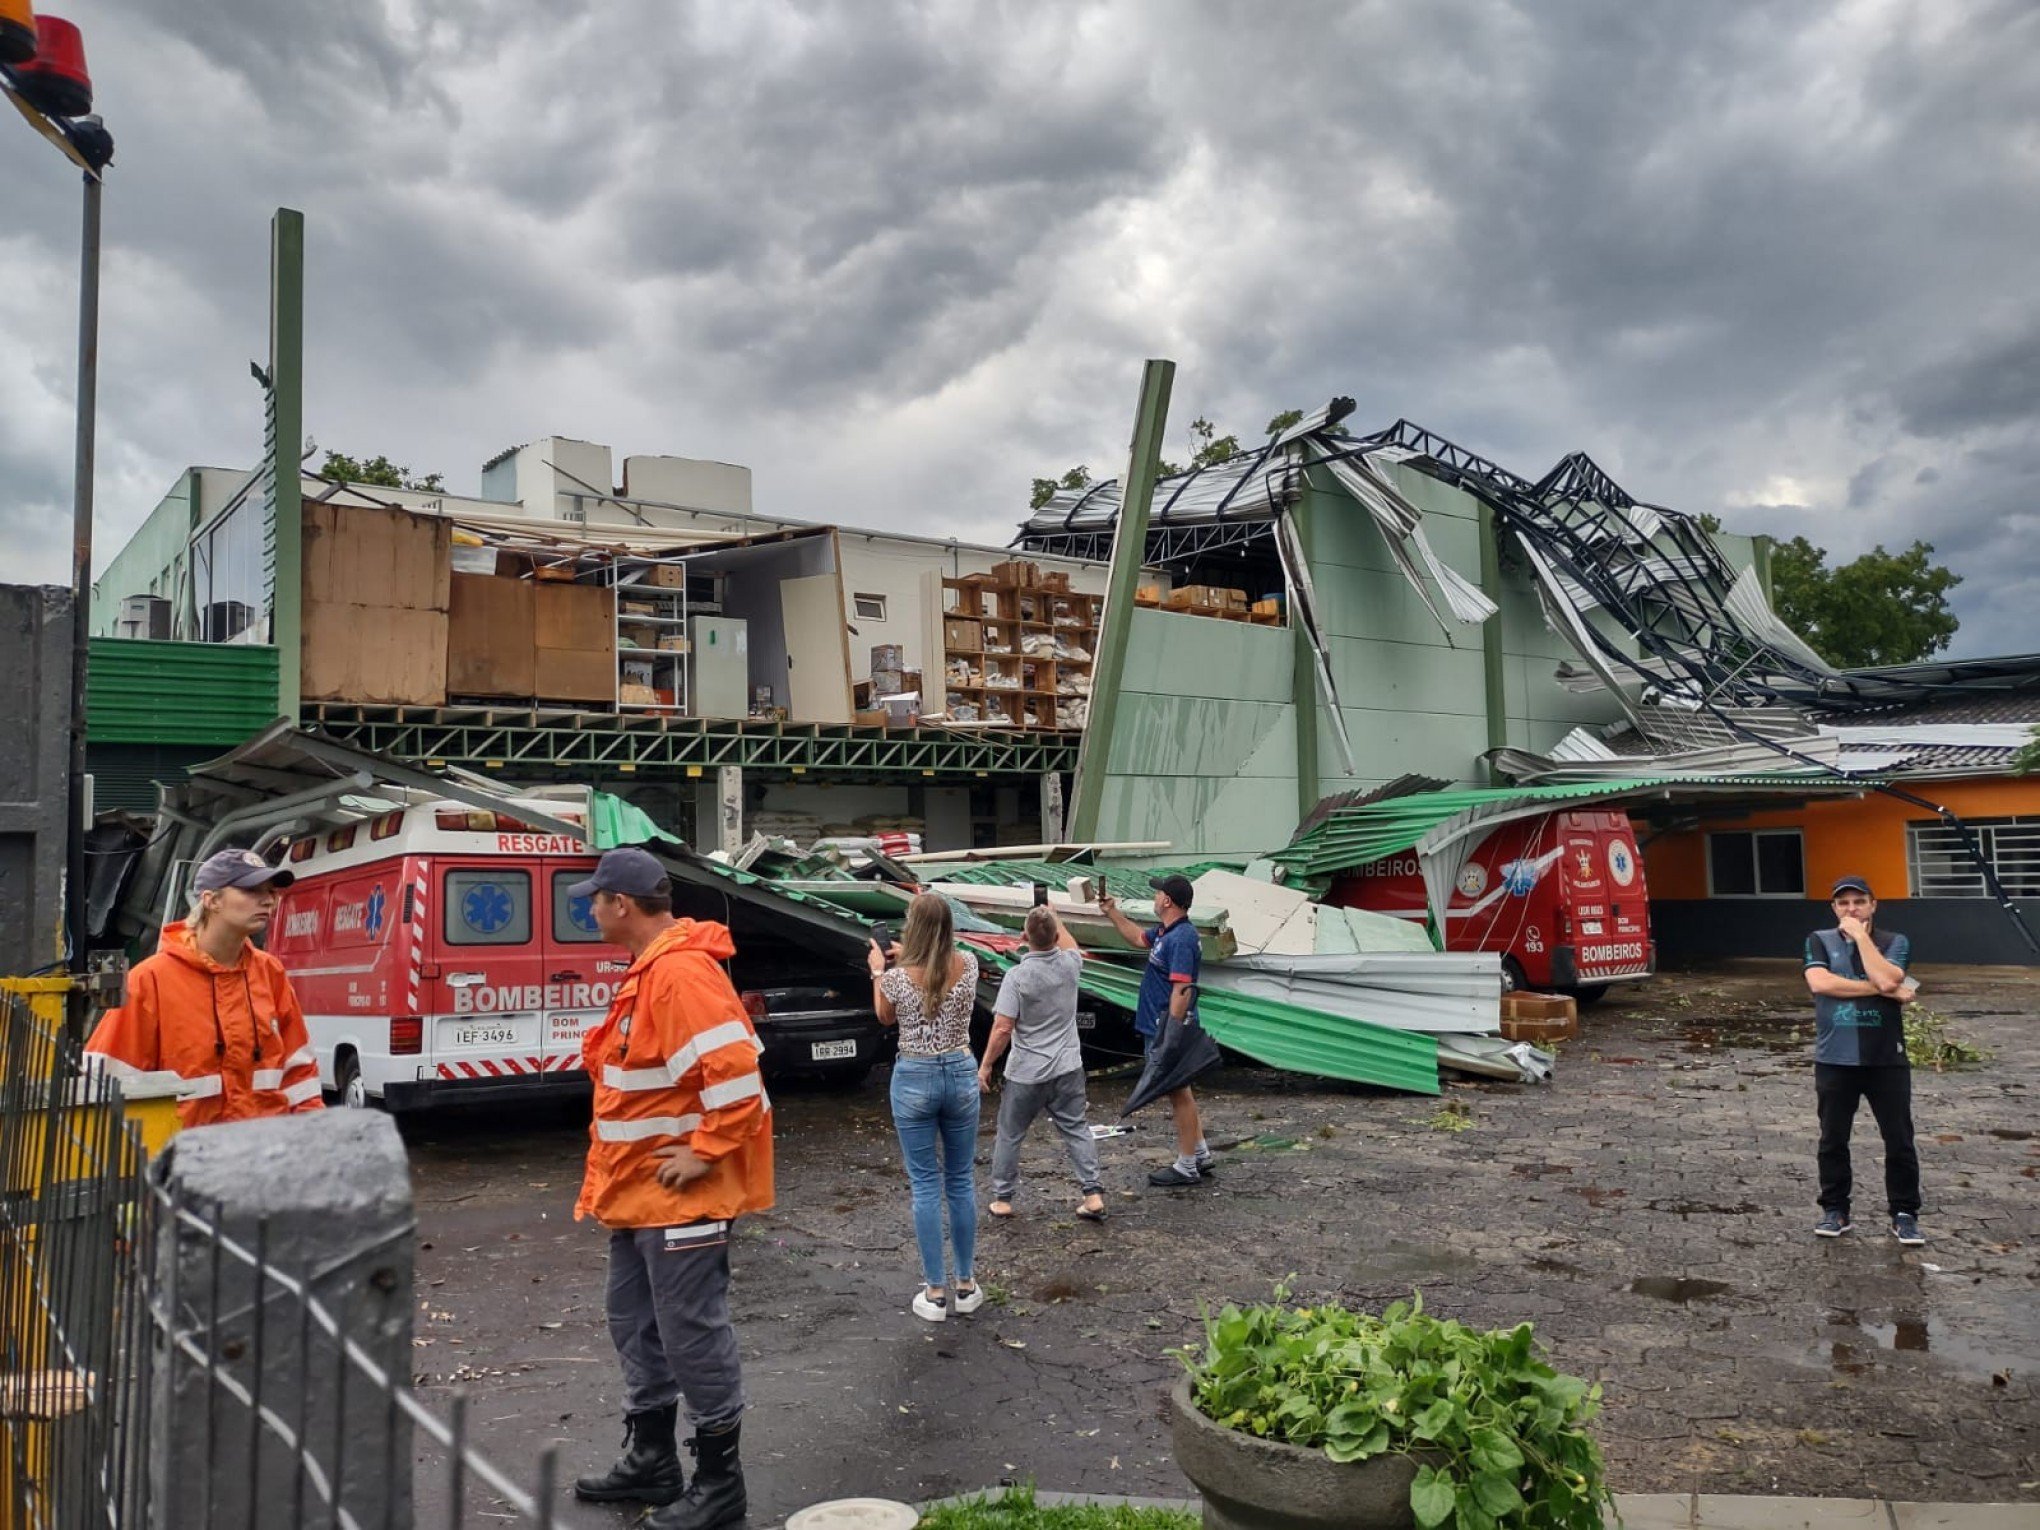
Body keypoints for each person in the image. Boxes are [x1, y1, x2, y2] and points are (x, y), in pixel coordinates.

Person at [572, 848, 773, 1530]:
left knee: (691, 1334)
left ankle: (720, 1485)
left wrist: (704, 1153)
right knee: (634, 1323)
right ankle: (653, 1459)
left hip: (679, 1199)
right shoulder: (651, 971)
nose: (590, 906)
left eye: (595, 898)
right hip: (641, 1196)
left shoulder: (680, 974)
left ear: (620, 906)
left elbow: (738, 1078)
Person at [85, 847, 324, 1126]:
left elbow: (299, 1076)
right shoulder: (150, 980)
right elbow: (106, 1082)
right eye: (252, 890)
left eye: (270, 892)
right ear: (211, 900)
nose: (268, 900)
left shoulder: (270, 974)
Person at [869, 892, 984, 1322]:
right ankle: (967, 1284)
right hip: (959, 1071)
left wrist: (879, 971)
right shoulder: (968, 964)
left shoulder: (897, 978)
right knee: (960, 1180)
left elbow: (884, 1016)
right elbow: (937, 970)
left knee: (924, 1184)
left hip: (914, 1077)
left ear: (911, 928)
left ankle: (934, 1292)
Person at [1804, 874, 1924, 1246]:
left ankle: (1904, 1214)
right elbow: (1820, 984)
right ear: (1834, 908)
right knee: (1832, 1139)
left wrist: (1859, 938)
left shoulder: (1894, 941)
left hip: (1886, 1059)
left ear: (1873, 905)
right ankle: (1835, 1210)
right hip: (1834, 1060)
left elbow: (1889, 976)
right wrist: (1884, 989)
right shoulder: (1818, 940)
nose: (1851, 909)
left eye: (1859, 902)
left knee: (1899, 1140)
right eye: (1844, 903)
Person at [980, 905, 1106, 1221]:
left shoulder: (1017, 977)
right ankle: (1092, 1194)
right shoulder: (1070, 964)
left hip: (1027, 1072)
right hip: (1067, 1066)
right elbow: (1070, 942)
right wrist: (1053, 917)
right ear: (1055, 936)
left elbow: (1003, 1028)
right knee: (1076, 1128)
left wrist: (985, 1066)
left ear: (1024, 937)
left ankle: (1003, 1199)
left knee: (1010, 1133)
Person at [1097, 875, 1212, 1188]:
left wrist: (1170, 1037)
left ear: (1167, 901)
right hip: (1160, 1026)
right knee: (1181, 1090)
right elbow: (1137, 938)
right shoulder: (1166, 933)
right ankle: (1199, 1153)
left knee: (1178, 1093)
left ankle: (1187, 1166)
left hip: (1168, 1028)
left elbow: (1182, 989)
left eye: (1158, 892)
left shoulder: (1182, 939)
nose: (1155, 896)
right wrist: (1112, 913)